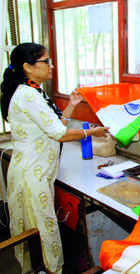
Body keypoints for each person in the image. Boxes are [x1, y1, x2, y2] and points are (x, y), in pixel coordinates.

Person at [1, 43, 109, 273]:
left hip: (34, 170)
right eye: (46, 61)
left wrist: (72, 105)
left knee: (37, 229)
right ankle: (50, 270)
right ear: (28, 67)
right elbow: (59, 134)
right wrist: (94, 132)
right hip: (32, 173)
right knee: (42, 230)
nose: (52, 65)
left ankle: (41, 269)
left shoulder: (33, 91)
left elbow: (54, 126)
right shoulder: (28, 95)